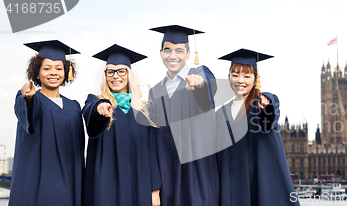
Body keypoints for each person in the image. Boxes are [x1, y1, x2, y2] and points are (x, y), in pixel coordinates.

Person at [217, 49, 300, 206]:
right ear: (229, 78)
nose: (240, 80)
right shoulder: (221, 113)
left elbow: (269, 118)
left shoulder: (260, 104)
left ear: (255, 79)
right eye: (235, 75)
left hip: (258, 187)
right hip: (229, 190)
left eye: (247, 76)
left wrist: (268, 105)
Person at [81, 44, 161, 206]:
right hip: (104, 183)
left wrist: (155, 190)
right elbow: (90, 113)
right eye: (110, 72)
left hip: (138, 182)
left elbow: (152, 152)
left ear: (129, 74)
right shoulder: (95, 101)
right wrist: (100, 108)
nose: (115, 76)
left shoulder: (145, 110)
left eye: (121, 71)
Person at [148, 25, 219, 206]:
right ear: (161, 53)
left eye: (179, 50)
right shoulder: (155, 91)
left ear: (188, 54)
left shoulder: (199, 74)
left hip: (196, 173)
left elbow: (208, 86)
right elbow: (152, 139)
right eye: (168, 50)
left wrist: (200, 83)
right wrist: (155, 186)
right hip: (167, 176)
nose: (173, 56)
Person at [10, 40, 84, 206]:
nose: (53, 73)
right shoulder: (33, 99)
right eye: (47, 68)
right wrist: (28, 98)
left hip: (70, 184)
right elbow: (29, 113)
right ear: (37, 73)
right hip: (38, 185)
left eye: (59, 68)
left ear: (66, 73)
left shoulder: (74, 106)